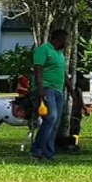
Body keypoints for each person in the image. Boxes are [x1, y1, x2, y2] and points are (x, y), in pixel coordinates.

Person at [31, 27, 69, 162]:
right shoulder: (43, 49)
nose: (65, 42)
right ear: (58, 38)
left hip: (58, 90)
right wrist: (40, 88)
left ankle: (48, 153)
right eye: (64, 39)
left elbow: (63, 74)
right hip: (46, 88)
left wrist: (71, 90)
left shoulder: (60, 54)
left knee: (55, 122)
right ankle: (37, 150)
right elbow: (38, 69)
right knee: (51, 117)